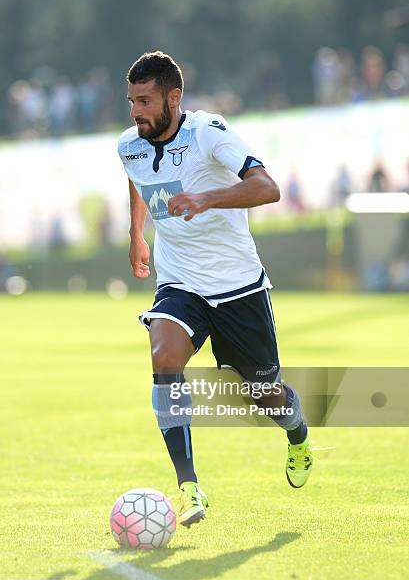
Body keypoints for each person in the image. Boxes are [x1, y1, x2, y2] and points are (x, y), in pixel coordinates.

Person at [117, 52, 313, 527]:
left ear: (174, 97)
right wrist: (136, 233)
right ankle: (189, 488)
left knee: (265, 396)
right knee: (164, 358)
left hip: (238, 284)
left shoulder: (209, 133)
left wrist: (207, 198)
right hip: (181, 282)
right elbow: (138, 179)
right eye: (131, 102)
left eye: (145, 101)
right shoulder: (130, 144)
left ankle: (298, 432)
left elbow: (267, 188)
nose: (137, 112)